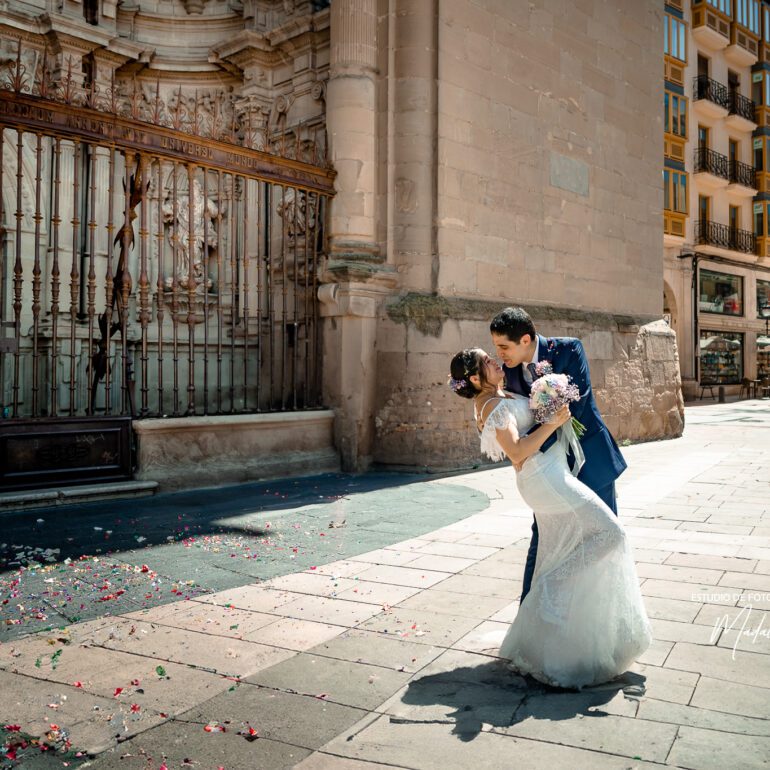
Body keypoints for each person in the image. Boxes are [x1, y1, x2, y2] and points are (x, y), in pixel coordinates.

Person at [448, 348, 651, 689]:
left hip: (550, 474)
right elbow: (516, 452)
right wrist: (553, 423)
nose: (495, 362)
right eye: (487, 362)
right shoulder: (492, 407)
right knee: (611, 534)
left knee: (559, 548)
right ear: (474, 378)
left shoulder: (499, 396)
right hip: (545, 478)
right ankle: (549, 592)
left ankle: (557, 640)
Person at [489, 307, 627, 601]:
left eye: (503, 346)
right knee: (542, 535)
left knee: (605, 534)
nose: (500, 353)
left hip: (590, 457)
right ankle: (529, 609)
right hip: (549, 470)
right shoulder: (510, 372)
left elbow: (576, 406)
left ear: (525, 339)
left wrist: (530, 440)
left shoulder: (569, 349)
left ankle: (601, 608)